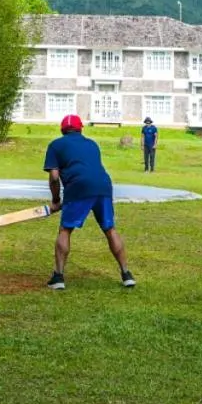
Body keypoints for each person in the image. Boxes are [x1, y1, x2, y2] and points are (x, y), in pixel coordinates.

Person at [43, 114, 135, 291]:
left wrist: (55, 200)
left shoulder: (55, 145)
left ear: (62, 129)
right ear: (80, 129)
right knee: (110, 228)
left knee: (65, 230)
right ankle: (127, 274)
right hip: (104, 185)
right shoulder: (92, 144)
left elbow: (54, 177)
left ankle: (58, 277)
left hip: (78, 187)